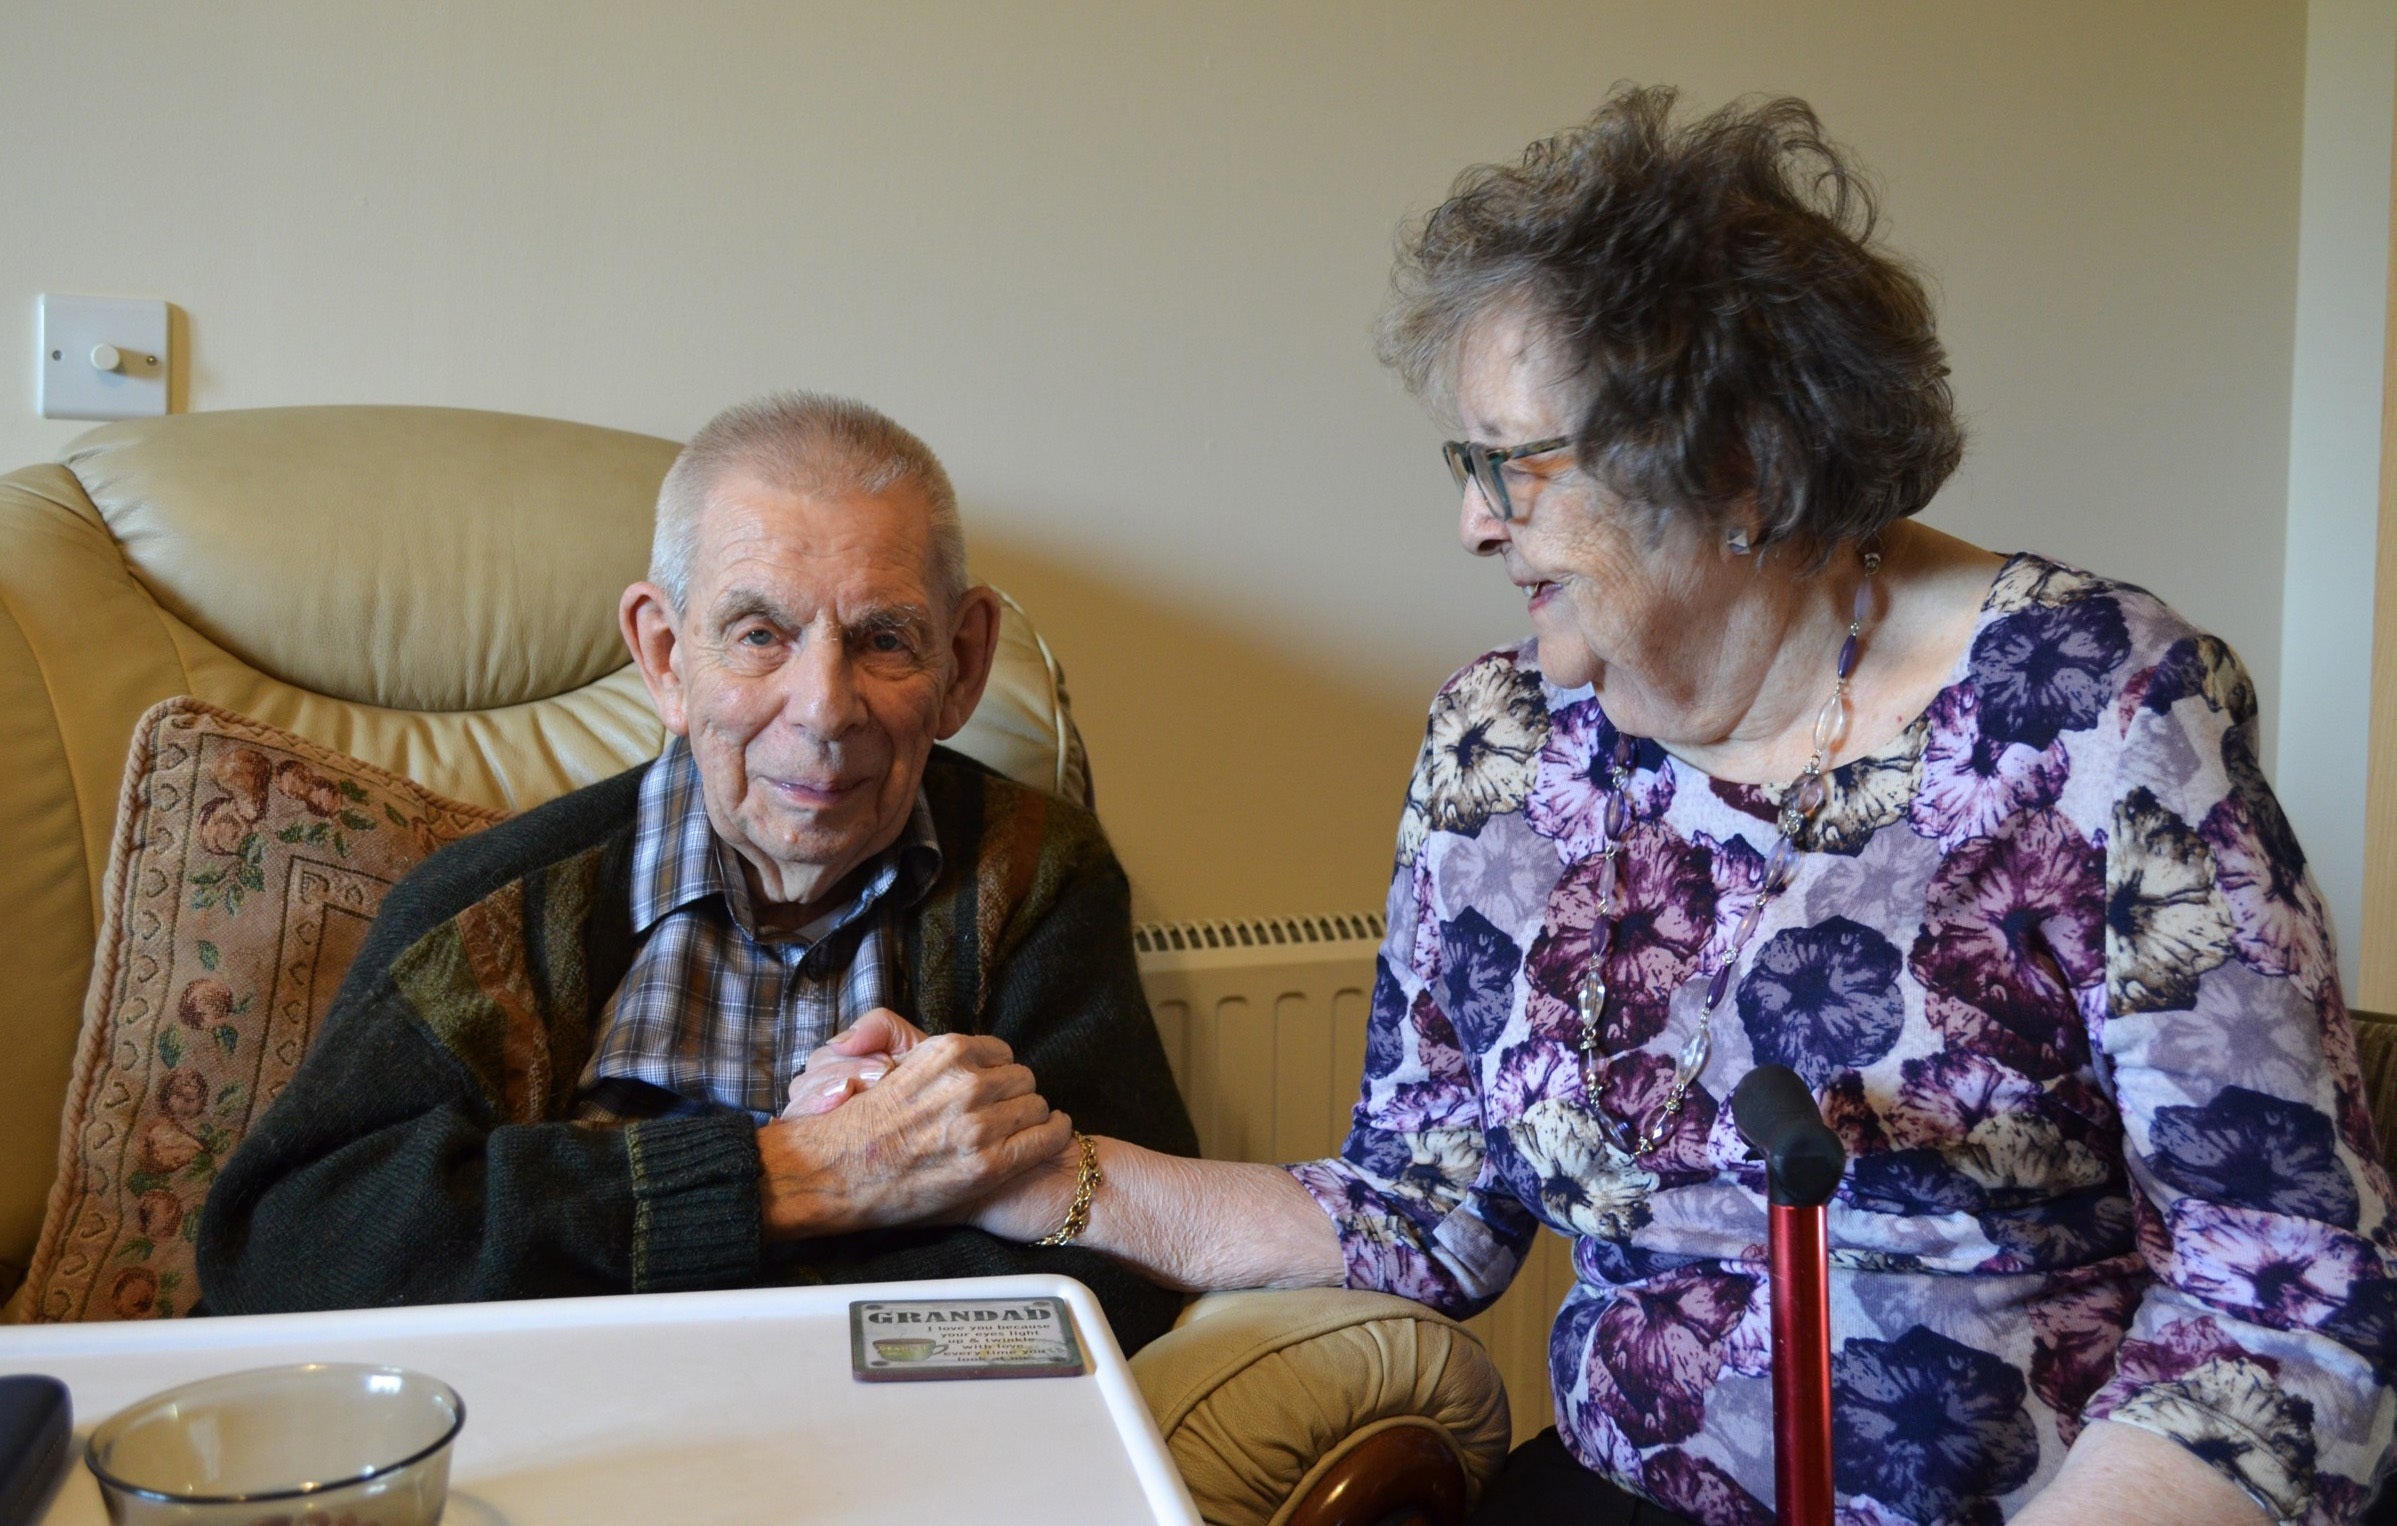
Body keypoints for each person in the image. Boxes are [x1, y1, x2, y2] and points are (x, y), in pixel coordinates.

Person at [863, 90, 2394, 1523]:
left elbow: (2283, 1290)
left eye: (1510, 466)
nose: (1470, 523)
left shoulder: (2097, 709)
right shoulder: (1501, 743)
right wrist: (1037, 1173)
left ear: (1744, 460)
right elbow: (1425, 1209)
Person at [198, 393, 1199, 1353]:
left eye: (884, 639)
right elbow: (282, 1254)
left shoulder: (1037, 876)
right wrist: (788, 1176)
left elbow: (1121, 1267)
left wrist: (756, 1334)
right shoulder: (486, 907)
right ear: (668, 656)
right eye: (761, 634)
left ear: (963, 663)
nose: (823, 709)